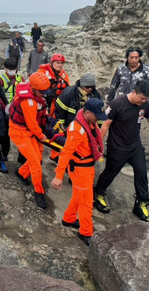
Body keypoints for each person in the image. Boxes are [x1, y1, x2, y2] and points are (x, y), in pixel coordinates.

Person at [93, 80, 149, 223]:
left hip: (135, 146)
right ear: (134, 92)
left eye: (146, 99)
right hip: (117, 147)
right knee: (110, 172)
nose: (144, 101)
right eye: (142, 98)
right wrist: (98, 145)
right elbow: (105, 125)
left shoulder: (144, 105)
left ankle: (141, 203)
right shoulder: (117, 104)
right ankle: (98, 193)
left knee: (141, 173)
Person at [50, 98, 107, 246]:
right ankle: (85, 232)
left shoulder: (87, 122)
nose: (98, 121)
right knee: (86, 203)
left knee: (78, 196)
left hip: (86, 168)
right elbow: (66, 153)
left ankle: (68, 218)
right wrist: (58, 176)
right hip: (81, 170)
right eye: (96, 116)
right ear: (87, 113)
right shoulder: (77, 130)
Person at [8, 71, 51, 209]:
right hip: (19, 133)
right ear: (34, 88)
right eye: (42, 92)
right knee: (36, 163)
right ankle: (39, 192)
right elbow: (32, 124)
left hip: (26, 131)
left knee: (38, 157)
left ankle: (21, 173)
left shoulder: (30, 91)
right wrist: (41, 136)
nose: (44, 94)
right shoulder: (29, 103)